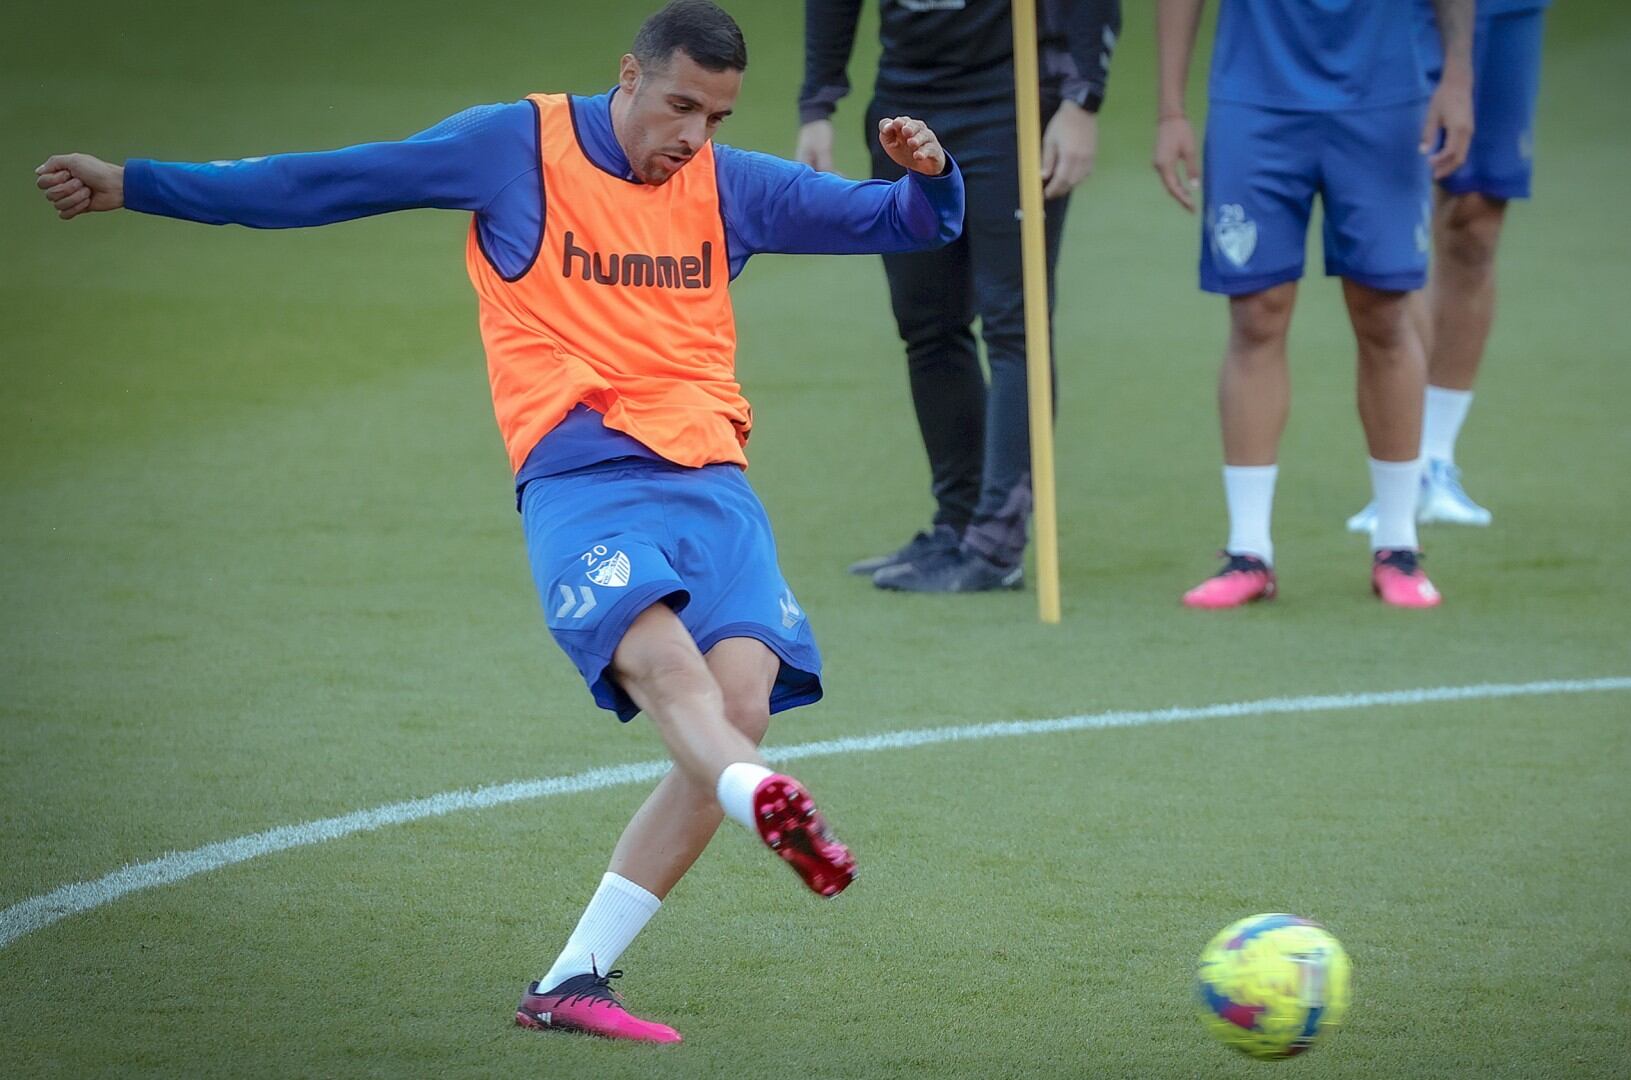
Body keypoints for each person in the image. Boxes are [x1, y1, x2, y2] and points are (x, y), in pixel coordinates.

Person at [34, 0, 962, 1044]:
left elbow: (904, 224)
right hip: (583, 477)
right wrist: (136, 184)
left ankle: (575, 979)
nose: (693, 134)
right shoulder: (512, 146)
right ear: (629, 74)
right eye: (679, 105)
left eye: (716, 113)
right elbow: (324, 180)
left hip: (713, 482)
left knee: (739, 702)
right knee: (669, 675)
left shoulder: (726, 182)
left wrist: (926, 172)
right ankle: (761, 802)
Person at [1154, 0, 1475, 610]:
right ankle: (1248, 551)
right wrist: (1170, 107)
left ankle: (1398, 544)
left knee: (1384, 310)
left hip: (1384, 94)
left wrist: (1457, 77)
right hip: (1255, 95)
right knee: (1256, 312)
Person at [796, 0, 1121, 592]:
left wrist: (1083, 100)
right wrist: (817, 105)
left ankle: (996, 544)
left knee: (1013, 324)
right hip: (906, 108)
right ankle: (958, 524)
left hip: (1015, 103)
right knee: (927, 324)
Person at [1348, 0, 1551, 533]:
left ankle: (1436, 459)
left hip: (1504, 9)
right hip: (1400, 14)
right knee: (1398, 221)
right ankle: (1402, 467)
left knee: (1477, 222)